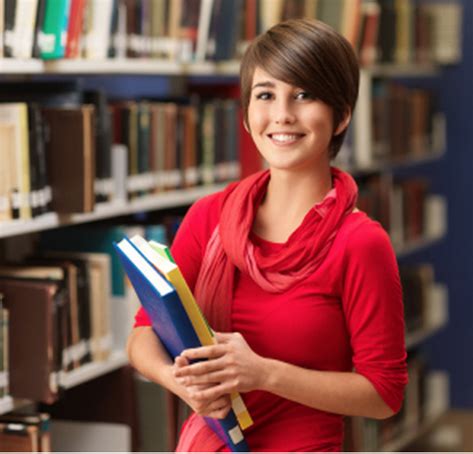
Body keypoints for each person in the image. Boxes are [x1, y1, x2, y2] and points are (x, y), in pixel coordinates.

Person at [128, 18, 408, 452]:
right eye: (265, 95)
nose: (282, 115)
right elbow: (145, 333)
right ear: (246, 115)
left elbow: (384, 394)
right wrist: (182, 384)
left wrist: (262, 373)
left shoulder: (361, 243)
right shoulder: (209, 218)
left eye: (304, 94)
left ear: (342, 115)